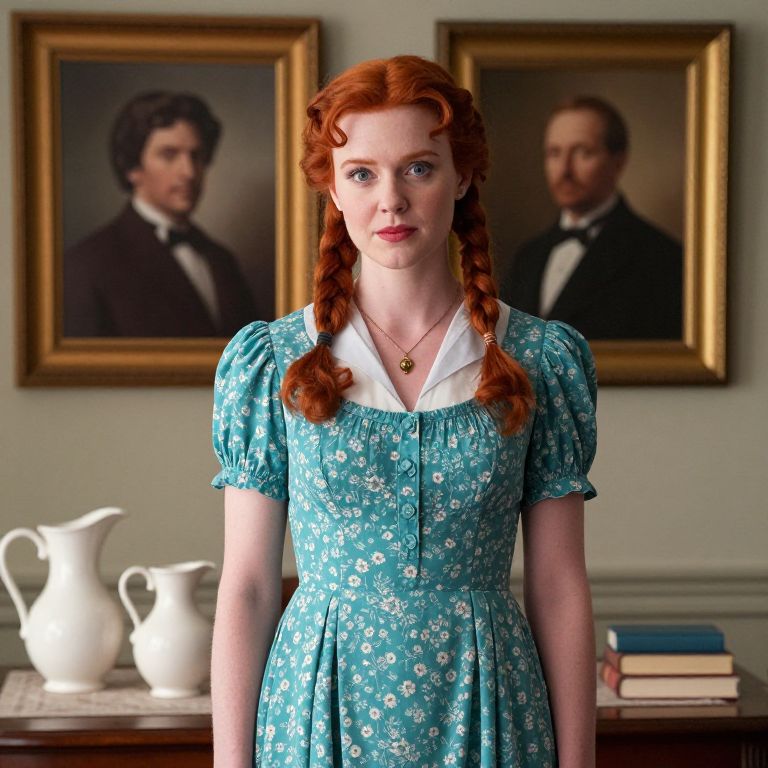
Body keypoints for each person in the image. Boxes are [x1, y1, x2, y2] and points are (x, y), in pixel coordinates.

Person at [211, 56, 597, 768]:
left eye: (418, 168)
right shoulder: (273, 363)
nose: (390, 199)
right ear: (332, 185)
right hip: (318, 706)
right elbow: (249, 586)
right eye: (362, 172)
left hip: (488, 703)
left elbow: (558, 585)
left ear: (463, 175)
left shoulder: (538, 360)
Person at [63, 91, 257, 337]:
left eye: (196, 156)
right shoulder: (88, 264)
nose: (189, 172)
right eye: (169, 154)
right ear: (133, 167)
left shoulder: (222, 261)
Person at [498, 95, 683, 340]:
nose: (564, 170)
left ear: (618, 161)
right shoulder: (527, 258)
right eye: (554, 153)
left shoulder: (660, 258)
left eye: (582, 153)